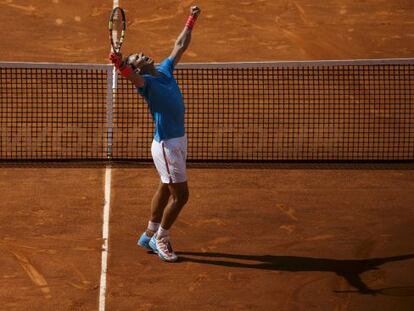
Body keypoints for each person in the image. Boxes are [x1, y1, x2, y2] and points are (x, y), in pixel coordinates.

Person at [110, 5, 201, 262]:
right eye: (137, 57)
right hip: (167, 146)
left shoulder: (164, 70)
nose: (143, 55)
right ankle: (161, 238)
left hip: (177, 140)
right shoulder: (145, 83)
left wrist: (191, 19)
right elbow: (130, 77)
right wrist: (121, 67)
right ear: (137, 69)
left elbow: (180, 44)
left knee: (165, 187)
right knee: (181, 195)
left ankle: (148, 232)